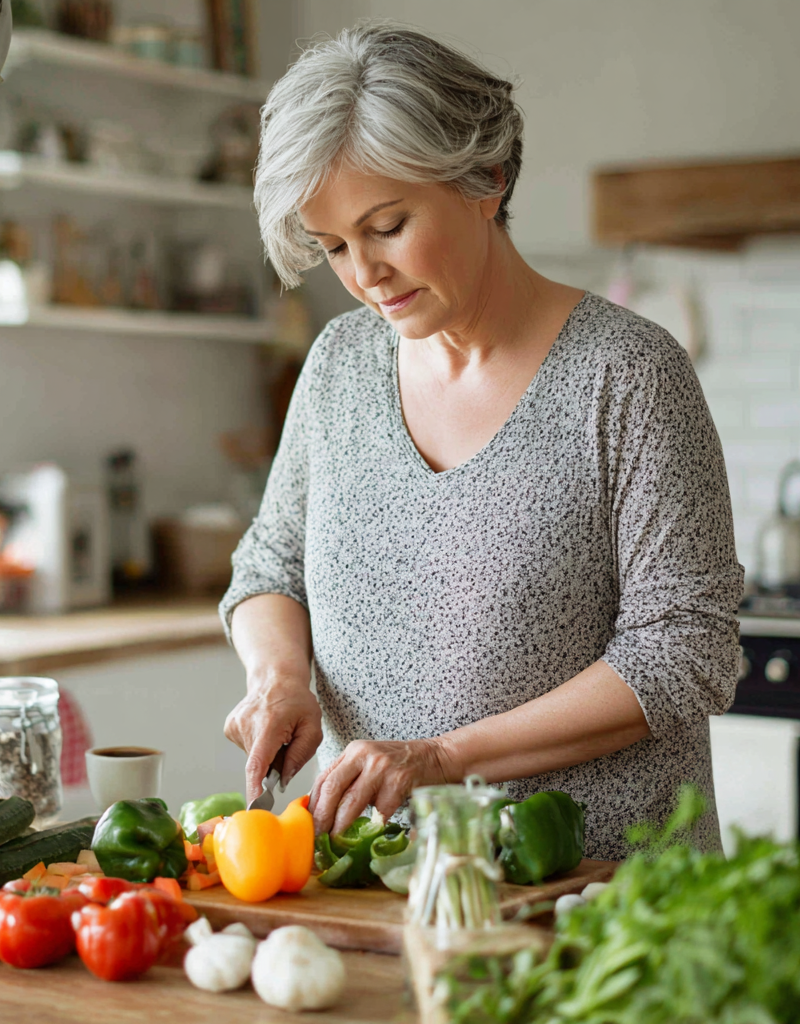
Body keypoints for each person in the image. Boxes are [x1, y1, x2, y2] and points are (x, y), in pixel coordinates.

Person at [220, 22, 743, 859]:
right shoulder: (337, 367)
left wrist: (443, 759)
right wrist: (278, 676)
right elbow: (269, 567)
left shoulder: (629, 375)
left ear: (486, 178)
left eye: (387, 225)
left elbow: (684, 654)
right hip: (390, 883)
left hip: (603, 901)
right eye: (334, 248)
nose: (364, 275)